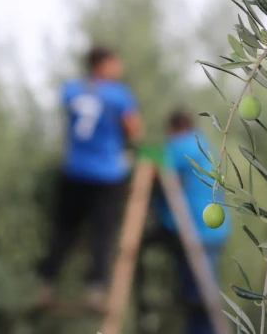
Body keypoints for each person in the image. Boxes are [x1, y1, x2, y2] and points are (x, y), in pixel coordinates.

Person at [34, 46, 144, 312]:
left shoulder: (71, 90)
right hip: (106, 174)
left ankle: (45, 284)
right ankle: (95, 290)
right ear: (102, 64)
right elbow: (134, 129)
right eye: (115, 63)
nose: (119, 69)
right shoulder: (118, 95)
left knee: (63, 231)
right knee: (102, 233)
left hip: (74, 171)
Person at [140, 109, 231, 334]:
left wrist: (139, 153)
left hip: (193, 229)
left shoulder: (183, 144)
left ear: (175, 128)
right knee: (201, 297)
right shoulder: (203, 145)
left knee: (199, 298)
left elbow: (155, 162)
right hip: (209, 232)